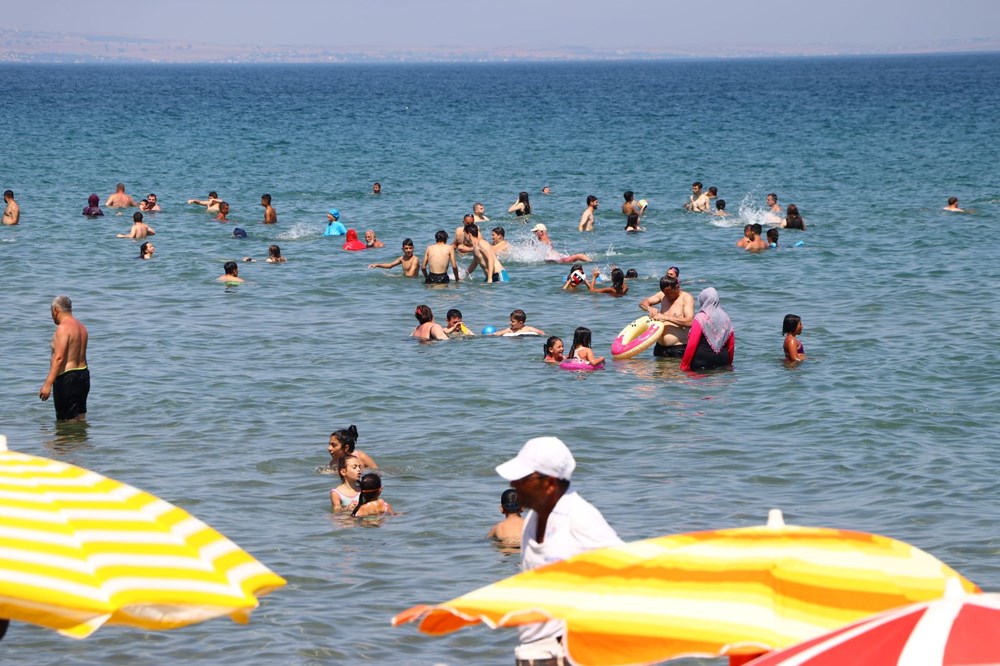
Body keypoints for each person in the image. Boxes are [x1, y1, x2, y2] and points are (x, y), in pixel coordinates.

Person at [495, 436, 622, 665]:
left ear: (549, 483)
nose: (514, 484)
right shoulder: (534, 517)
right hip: (535, 652)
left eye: (523, 478)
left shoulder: (580, 519)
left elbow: (629, 576)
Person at [39, 295, 90, 421]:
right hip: (83, 376)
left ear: (56, 310)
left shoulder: (63, 328)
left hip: (68, 379)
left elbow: (59, 358)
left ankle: (65, 441)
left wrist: (48, 384)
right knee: (80, 419)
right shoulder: (82, 327)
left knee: (66, 423)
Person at [681, 287, 735, 371]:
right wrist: (729, 364)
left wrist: (684, 366)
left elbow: (692, 343)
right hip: (722, 361)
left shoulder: (700, 318)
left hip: (702, 362)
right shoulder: (726, 318)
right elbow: (731, 345)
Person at [639, 276, 695, 357]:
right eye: (666, 293)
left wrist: (666, 317)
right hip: (659, 348)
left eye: (670, 293)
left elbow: (690, 322)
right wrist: (649, 308)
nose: (668, 296)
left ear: (677, 287)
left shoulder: (686, 298)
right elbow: (642, 303)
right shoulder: (662, 295)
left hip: (678, 348)